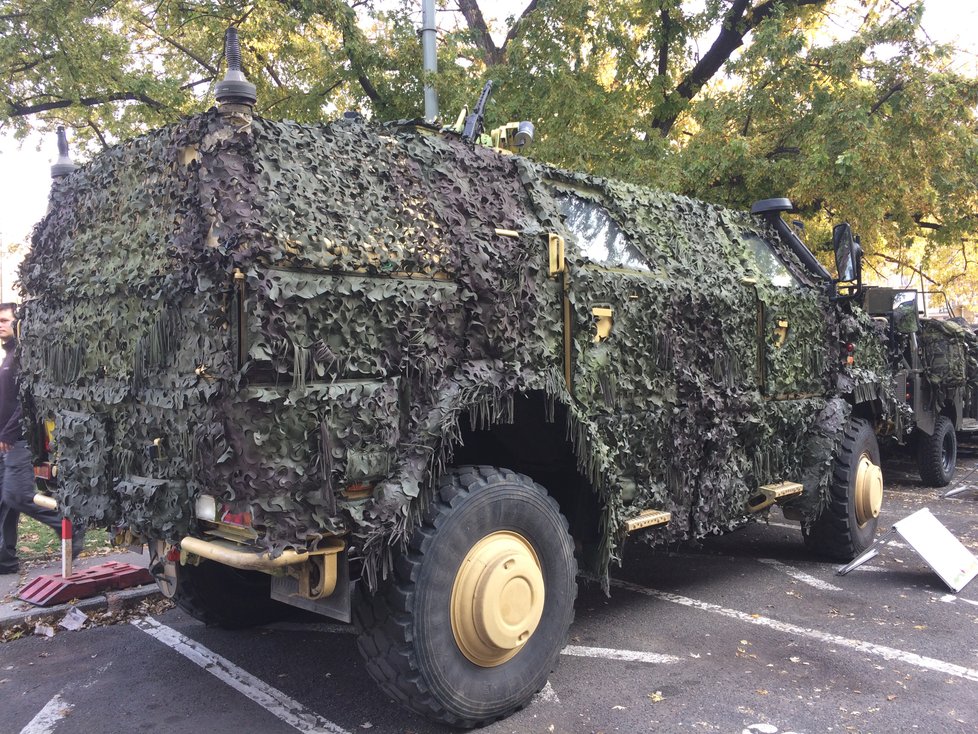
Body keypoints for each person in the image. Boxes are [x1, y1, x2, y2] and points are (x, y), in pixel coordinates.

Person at [0, 303, 83, 574]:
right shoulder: (9, 354)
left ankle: (70, 527)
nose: (0, 325)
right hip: (6, 440)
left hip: (20, 439)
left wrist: (9, 434)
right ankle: (5, 560)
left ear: (18, 323)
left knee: (18, 495)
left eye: (4, 320)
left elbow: (28, 400)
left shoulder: (23, 354)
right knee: (4, 500)